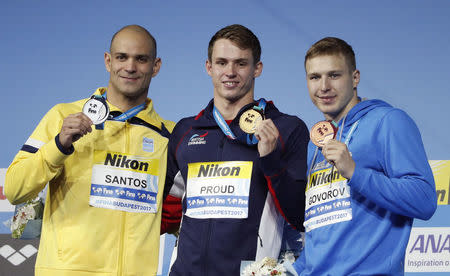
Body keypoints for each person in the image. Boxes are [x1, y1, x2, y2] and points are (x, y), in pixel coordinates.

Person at [5, 25, 175, 276]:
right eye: (121, 57)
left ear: (156, 66)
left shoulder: (168, 135)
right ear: (108, 61)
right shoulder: (62, 116)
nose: (130, 67)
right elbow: (14, 189)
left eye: (141, 59)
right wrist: (59, 145)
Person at [163, 24, 309, 275]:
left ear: (257, 68)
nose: (230, 72)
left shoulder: (286, 128)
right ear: (209, 67)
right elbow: (161, 211)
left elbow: (300, 216)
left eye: (241, 63)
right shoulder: (186, 131)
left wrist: (271, 159)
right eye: (221, 62)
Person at [293, 37, 437, 275]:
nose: (324, 86)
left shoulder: (388, 121)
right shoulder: (316, 142)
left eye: (335, 75)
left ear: (355, 77)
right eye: (315, 77)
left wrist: (354, 172)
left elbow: (424, 200)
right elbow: (321, 230)